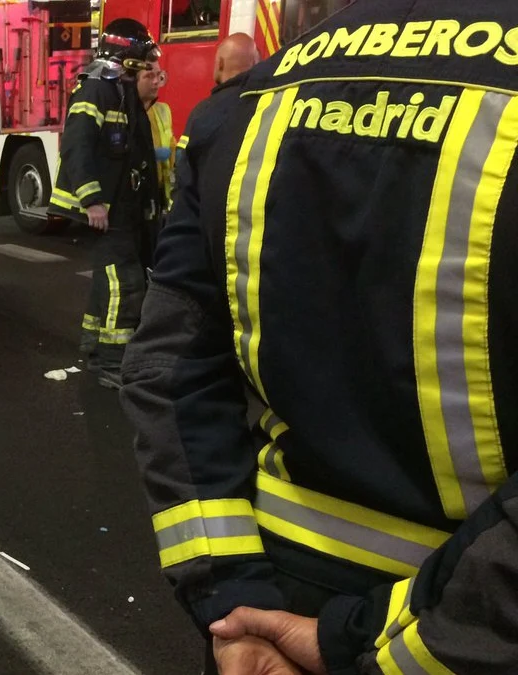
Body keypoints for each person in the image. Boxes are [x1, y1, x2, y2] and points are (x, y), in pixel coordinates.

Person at [119, 1, 518, 674]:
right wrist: (372, 643)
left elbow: (167, 369)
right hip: (462, 639)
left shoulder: (247, 107)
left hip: (266, 616)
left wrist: (231, 598)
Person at [50, 18, 161, 389]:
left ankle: (93, 345)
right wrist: (92, 200)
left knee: (107, 280)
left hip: (123, 208)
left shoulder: (121, 93)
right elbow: (76, 146)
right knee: (124, 284)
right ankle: (112, 363)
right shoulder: (95, 91)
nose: (148, 65)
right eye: (142, 57)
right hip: (106, 208)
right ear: (124, 55)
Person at [139, 64, 176, 215]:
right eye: (149, 76)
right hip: (137, 194)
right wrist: (148, 155)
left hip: (160, 193)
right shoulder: (123, 112)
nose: (156, 82)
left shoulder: (163, 109)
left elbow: (172, 146)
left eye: (158, 76)